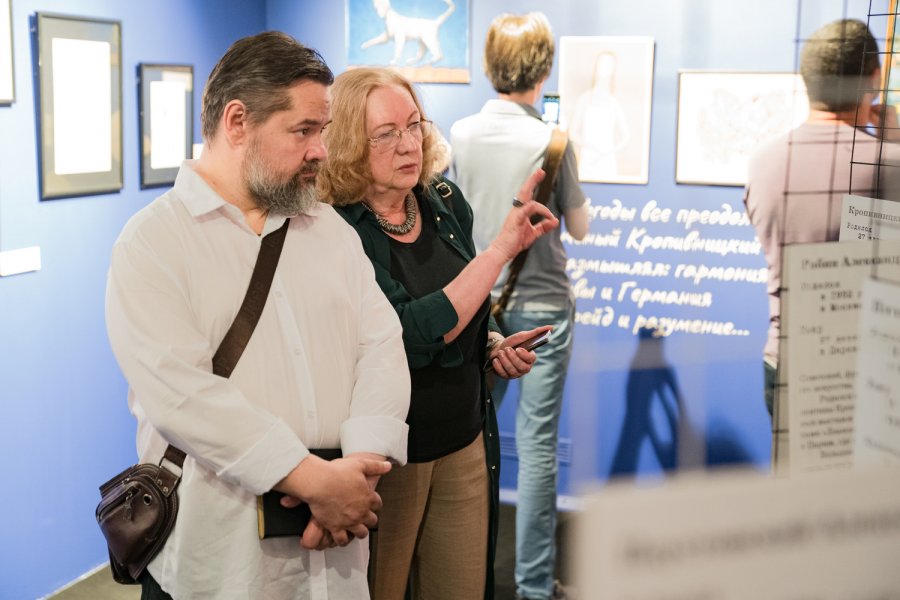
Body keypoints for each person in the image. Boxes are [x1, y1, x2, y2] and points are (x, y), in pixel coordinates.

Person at [105, 32, 411, 600]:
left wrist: (359, 469)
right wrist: (313, 481)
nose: (321, 150)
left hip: (339, 548)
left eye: (322, 130)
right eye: (304, 130)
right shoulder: (152, 243)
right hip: (222, 563)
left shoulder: (330, 231)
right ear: (238, 122)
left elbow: (382, 347)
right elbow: (182, 395)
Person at [319, 67, 559, 600]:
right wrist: (502, 249)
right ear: (349, 143)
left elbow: (469, 300)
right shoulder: (336, 227)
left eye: (414, 125)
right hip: (388, 459)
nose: (409, 145)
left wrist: (492, 342)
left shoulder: (444, 200)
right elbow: (408, 333)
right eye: (386, 134)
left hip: (464, 441)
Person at [450, 12, 588, 600]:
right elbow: (579, 226)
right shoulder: (553, 141)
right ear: (543, 68)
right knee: (536, 449)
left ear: (490, 64)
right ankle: (533, 586)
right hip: (543, 308)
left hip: (478, 303)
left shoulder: (460, 135)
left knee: (471, 443)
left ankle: (469, 576)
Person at [744, 18, 900, 421]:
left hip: (784, 360)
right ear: (873, 80)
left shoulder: (763, 162)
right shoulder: (889, 163)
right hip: (865, 370)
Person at [569, 51, 630, 180]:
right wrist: (589, 146)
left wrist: (609, 151)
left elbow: (625, 137)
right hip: (588, 161)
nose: (605, 68)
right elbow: (572, 132)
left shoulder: (614, 103)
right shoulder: (584, 99)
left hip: (607, 163)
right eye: (602, 63)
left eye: (609, 65)